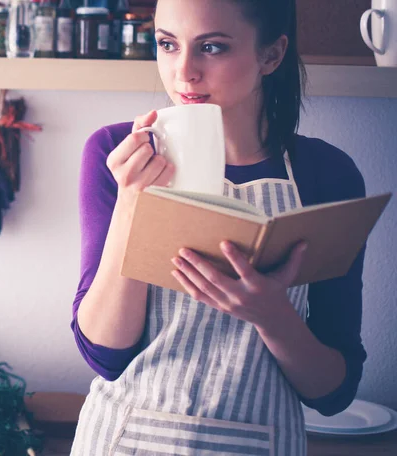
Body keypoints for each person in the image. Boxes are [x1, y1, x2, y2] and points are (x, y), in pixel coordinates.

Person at [70, 0, 367, 454]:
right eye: (168, 44)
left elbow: (333, 393)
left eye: (211, 47)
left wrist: (272, 316)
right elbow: (105, 355)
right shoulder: (116, 153)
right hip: (121, 439)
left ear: (271, 55)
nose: (183, 71)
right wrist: (133, 199)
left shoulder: (327, 174)